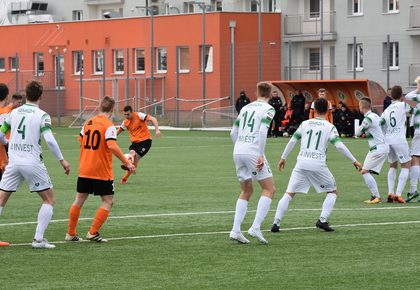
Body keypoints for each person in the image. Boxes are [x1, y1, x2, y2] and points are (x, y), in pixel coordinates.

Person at [271, 98, 361, 233]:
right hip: (318, 164)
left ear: (313, 110)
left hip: (301, 162)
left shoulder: (305, 124)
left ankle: (276, 223)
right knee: (332, 191)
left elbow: (292, 141)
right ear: (328, 110)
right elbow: (339, 146)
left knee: (289, 193)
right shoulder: (329, 127)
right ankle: (322, 220)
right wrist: (355, 160)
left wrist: (283, 158)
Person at [0, 80, 70, 249]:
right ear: (41, 96)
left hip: (14, 162)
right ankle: (38, 240)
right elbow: (50, 140)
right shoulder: (42, 115)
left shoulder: (13, 113)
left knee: (1, 200)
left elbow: (0, 135)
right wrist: (62, 160)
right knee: (49, 199)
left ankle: (39, 240)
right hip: (32, 162)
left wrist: (8, 142)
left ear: (26, 94)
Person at [66, 96, 135, 243]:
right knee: (108, 201)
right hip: (101, 171)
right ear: (112, 110)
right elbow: (111, 145)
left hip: (85, 168)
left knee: (79, 199)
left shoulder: (87, 123)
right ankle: (92, 232)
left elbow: (80, 140)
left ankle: (71, 233)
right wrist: (126, 161)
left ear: (99, 108)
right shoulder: (108, 125)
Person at [229, 82, 276, 244]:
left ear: (256, 93)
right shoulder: (268, 109)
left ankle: (235, 230)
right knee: (269, 189)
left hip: (238, 150)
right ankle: (255, 227)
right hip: (253, 151)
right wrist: (260, 154)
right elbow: (263, 130)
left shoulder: (245, 108)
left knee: (246, 190)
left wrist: (239, 147)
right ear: (270, 94)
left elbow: (233, 132)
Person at [381, 85, 412, 203]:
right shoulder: (403, 104)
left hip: (388, 139)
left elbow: (381, 124)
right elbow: (415, 106)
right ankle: (398, 194)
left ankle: (390, 192)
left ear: (390, 96)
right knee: (406, 165)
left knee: (393, 166)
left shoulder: (387, 110)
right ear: (401, 95)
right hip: (399, 138)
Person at [356, 98, 389, 204]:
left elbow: (357, 133)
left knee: (364, 171)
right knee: (366, 171)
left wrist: (362, 130)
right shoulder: (375, 115)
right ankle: (375, 196)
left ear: (362, 108)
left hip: (377, 149)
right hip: (382, 147)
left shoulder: (368, 119)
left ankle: (376, 197)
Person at [117, 105, 160, 184]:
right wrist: (112, 138)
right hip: (134, 143)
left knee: (135, 158)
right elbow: (119, 130)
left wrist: (157, 130)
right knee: (131, 154)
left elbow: (153, 119)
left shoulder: (139, 115)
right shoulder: (125, 122)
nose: (126, 116)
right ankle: (129, 165)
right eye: (125, 115)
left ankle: (124, 178)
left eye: (128, 114)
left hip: (145, 142)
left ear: (132, 112)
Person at [404, 76, 420, 202]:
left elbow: (407, 97)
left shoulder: (417, 97)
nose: (416, 88)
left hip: (419, 132)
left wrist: (417, 90)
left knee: (415, 159)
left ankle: (413, 190)